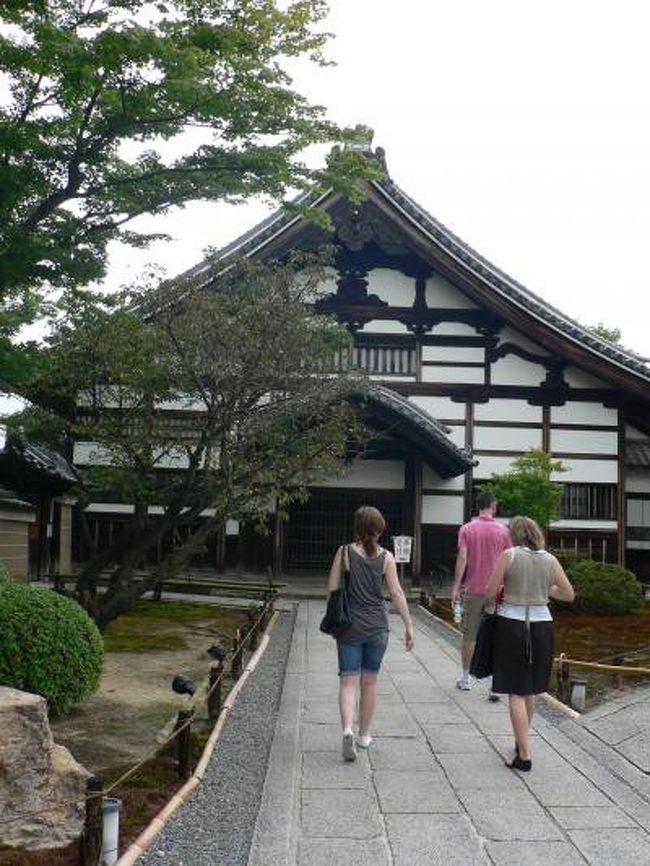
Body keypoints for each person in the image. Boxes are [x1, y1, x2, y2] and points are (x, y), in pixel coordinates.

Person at [485, 515, 575, 772]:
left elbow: (491, 592)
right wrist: (546, 591)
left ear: (515, 534)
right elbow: (568, 594)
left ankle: (524, 755)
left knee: (515, 689)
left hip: (512, 624)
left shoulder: (509, 555)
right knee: (531, 688)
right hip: (543, 625)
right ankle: (520, 739)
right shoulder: (550, 559)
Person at [327, 505, 415, 762]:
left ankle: (347, 730)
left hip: (349, 626)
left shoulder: (343, 552)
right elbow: (397, 593)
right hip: (378, 626)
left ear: (356, 528)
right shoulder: (387, 557)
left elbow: (332, 587)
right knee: (370, 682)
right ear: (379, 529)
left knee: (347, 682)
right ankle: (364, 735)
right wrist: (409, 626)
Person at [451, 492, 511, 693]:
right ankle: (496, 685)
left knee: (470, 635)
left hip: (473, 589)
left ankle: (466, 677)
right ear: (493, 506)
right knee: (498, 636)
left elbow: (463, 558)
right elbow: (509, 560)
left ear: (478, 506)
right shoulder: (504, 531)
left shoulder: (466, 529)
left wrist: (455, 587)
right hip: (498, 591)